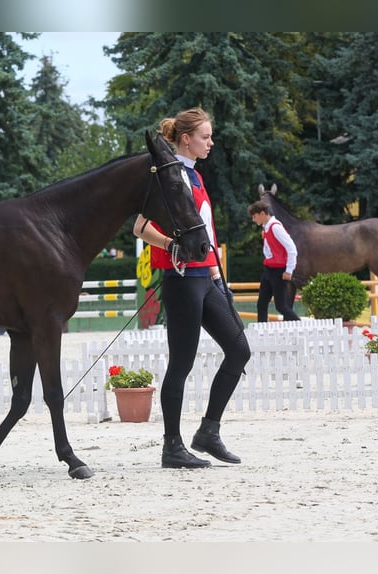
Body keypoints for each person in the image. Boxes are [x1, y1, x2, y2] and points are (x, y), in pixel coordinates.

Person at [133, 107, 250, 469]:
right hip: (181, 280)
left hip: (205, 279)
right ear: (186, 139)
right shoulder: (169, 177)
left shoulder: (196, 179)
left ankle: (208, 432)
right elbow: (139, 227)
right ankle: (172, 446)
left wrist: (218, 279)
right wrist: (170, 245)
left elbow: (208, 237)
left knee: (239, 350)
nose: (211, 142)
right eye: (205, 137)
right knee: (181, 364)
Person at [248, 201, 301, 322]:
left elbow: (292, 248)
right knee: (261, 303)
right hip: (269, 269)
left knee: (281, 306)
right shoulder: (266, 228)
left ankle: (299, 325)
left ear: (262, 214)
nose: (253, 219)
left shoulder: (275, 227)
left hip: (279, 271)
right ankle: (261, 332)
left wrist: (289, 270)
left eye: (254, 216)